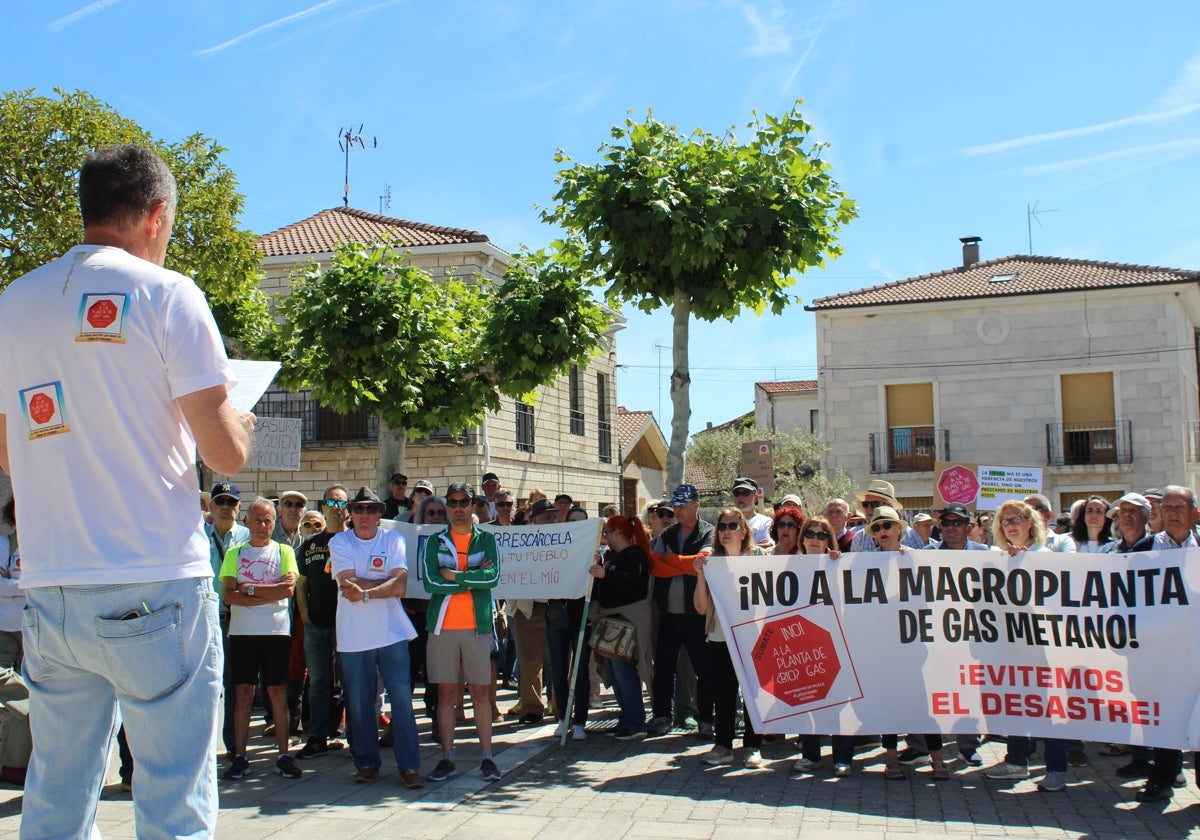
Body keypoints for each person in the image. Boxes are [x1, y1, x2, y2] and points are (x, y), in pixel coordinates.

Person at [0, 143, 254, 838]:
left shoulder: (13, 301)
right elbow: (222, 449)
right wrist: (241, 415)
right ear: (156, 215)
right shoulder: (169, 294)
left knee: (56, 790)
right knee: (173, 799)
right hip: (154, 577)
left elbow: (9, 449)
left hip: (52, 582)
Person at [330, 487, 423, 788]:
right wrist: (385, 584)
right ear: (351, 514)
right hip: (354, 636)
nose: (365, 515)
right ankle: (367, 762)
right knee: (359, 702)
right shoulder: (339, 541)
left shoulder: (393, 538)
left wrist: (367, 591)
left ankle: (409, 766)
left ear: (380, 514)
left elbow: (401, 585)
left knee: (402, 701)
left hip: (392, 632)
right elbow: (347, 584)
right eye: (359, 509)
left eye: (371, 509)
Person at [898, 503, 993, 769]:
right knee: (927, 692)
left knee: (966, 691)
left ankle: (968, 746)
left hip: (970, 637)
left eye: (957, 523)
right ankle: (919, 746)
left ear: (968, 528)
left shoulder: (986, 555)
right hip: (933, 638)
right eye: (947, 523)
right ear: (940, 527)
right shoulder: (924, 555)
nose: (951, 527)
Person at [983, 501, 1070, 791]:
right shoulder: (996, 557)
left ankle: (1057, 768)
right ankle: (1017, 762)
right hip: (1011, 647)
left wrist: (1025, 564)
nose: (1011, 525)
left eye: (1016, 519)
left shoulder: (1044, 556)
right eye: (1005, 521)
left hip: (1045, 650)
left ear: (1030, 522)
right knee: (1017, 705)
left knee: (1051, 709)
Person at [423, 483, 502, 783]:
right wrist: (473, 577)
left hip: (477, 624)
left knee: (480, 693)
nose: (458, 507)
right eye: (453, 501)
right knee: (446, 692)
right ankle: (447, 758)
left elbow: (492, 576)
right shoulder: (436, 541)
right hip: (442, 625)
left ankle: (487, 758)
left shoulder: (486, 539)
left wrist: (455, 576)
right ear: (447, 506)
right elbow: (432, 582)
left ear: (472, 506)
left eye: (464, 501)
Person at [220, 498, 302, 781]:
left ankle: (283, 755)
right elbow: (229, 596)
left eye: (268, 520)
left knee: (278, 693)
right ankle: (240, 756)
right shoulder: (236, 553)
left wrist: (250, 591)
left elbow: (287, 591)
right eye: (258, 520)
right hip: (242, 633)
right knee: (243, 694)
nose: (263, 526)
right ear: (247, 521)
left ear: (274, 522)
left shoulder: (284, 551)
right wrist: (270, 590)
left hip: (276, 632)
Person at [862, 505, 943, 780]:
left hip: (913, 648)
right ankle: (891, 760)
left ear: (899, 529)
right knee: (890, 706)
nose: (883, 531)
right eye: (878, 528)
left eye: (887, 526)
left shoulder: (917, 559)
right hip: (884, 649)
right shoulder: (865, 564)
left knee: (922, 705)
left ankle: (938, 760)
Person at [1135, 485, 1199, 802]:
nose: (1173, 512)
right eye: (1167, 507)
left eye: (1180, 506)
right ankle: (1161, 779)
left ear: (1194, 513)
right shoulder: (1145, 548)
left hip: (1197, 651)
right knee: (1164, 718)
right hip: (1161, 653)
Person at [694, 509, 766, 767]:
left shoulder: (758, 557)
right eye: (722, 526)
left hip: (753, 636)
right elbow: (701, 608)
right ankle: (723, 745)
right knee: (724, 693)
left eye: (732, 525)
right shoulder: (711, 561)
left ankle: (752, 746)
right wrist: (701, 576)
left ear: (744, 530)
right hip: (720, 637)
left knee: (752, 694)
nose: (726, 531)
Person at [791, 514, 860, 777]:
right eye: (811, 534)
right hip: (804, 644)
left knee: (840, 704)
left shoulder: (841, 565)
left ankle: (843, 758)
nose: (815, 540)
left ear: (829, 539)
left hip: (837, 643)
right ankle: (810, 755)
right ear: (803, 538)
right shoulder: (790, 566)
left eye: (822, 535)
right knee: (808, 702)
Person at [647, 484, 714, 737]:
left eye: (682, 506)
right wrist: (686, 565)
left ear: (697, 505)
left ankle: (706, 718)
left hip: (696, 614)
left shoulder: (708, 532)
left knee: (704, 669)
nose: (677, 511)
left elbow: (704, 563)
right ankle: (662, 716)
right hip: (668, 614)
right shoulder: (668, 533)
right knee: (663, 668)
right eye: (675, 506)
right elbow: (656, 567)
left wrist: (671, 559)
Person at [296, 485, 350, 759]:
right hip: (316, 624)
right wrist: (305, 616)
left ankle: (342, 732)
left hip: (347, 624)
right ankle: (317, 736)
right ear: (323, 505)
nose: (336, 507)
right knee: (318, 682)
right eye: (331, 502)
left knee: (348, 681)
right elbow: (301, 583)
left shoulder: (354, 540)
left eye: (341, 502)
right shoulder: (311, 544)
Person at [589, 515, 653, 740]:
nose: (605, 537)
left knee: (623, 672)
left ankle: (635, 722)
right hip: (615, 621)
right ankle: (628, 719)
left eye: (607, 533)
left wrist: (606, 574)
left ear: (618, 533)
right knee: (617, 675)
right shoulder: (616, 556)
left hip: (626, 621)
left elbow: (632, 581)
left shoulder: (634, 555)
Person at [505, 498, 555, 724]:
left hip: (556, 608)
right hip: (528, 607)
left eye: (553, 516)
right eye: (546, 516)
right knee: (529, 661)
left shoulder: (566, 541)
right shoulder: (520, 541)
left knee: (559, 659)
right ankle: (532, 707)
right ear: (533, 520)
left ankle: (560, 704)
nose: (551, 520)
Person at [547, 506, 593, 741]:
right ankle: (562, 717)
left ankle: (580, 721)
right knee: (558, 668)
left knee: (580, 670)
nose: (578, 525)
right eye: (573, 521)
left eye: (582, 522)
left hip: (581, 617)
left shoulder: (594, 550)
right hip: (557, 616)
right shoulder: (555, 546)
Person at [0, 497, 31, 788]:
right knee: (17, 692)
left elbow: (40, 583)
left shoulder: (42, 543)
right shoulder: (2, 543)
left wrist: (10, 582)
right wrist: (22, 583)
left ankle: (16, 765)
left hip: (34, 625)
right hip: (3, 625)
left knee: (29, 685)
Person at [849, 480, 926, 551]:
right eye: (865, 504)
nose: (869, 508)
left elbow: (922, 562)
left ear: (889, 506)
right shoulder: (858, 537)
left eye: (874, 504)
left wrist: (908, 556)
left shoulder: (911, 535)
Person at [730, 477, 774, 549]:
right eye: (737, 493)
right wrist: (755, 546)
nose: (741, 497)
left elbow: (768, 546)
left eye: (746, 493)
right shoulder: (725, 523)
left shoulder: (765, 522)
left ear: (756, 497)